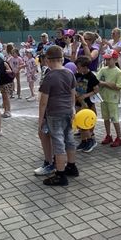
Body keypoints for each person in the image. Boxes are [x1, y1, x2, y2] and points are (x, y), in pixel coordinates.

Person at [38, 45, 79, 186]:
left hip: (55, 113)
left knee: (58, 143)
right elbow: (73, 94)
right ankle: (72, 166)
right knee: (69, 139)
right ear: (61, 59)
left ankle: (60, 175)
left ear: (48, 60)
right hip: (68, 111)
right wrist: (72, 109)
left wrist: (40, 121)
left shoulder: (49, 76)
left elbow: (43, 102)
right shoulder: (70, 73)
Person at [98, 50, 121, 147]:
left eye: (109, 59)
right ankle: (108, 135)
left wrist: (104, 83)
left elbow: (118, 86)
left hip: (113, 99)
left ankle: (119, 137)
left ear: (115, 59)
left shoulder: (118, 72)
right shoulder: (103, 70)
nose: (107, 61)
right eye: (106, 59)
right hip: (103, 97)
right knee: (106, 118)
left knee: (114, 118)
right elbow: (97, 80)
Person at [74, 55, 100, 153]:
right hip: (78, 102)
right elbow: (74, 86)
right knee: (79, 122)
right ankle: (83, 141)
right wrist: (76, 94)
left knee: (85, 122)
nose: (77, 69)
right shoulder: (77, 75)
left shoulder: (91, 76)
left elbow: (96, 90)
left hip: (87, 103)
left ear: (85, 67)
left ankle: (91, 141)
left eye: (79, 67)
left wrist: (85, 96)